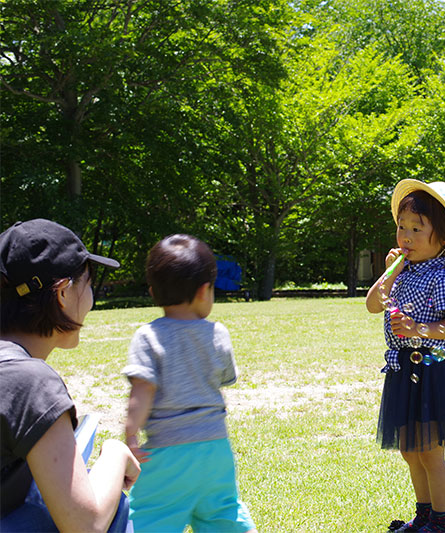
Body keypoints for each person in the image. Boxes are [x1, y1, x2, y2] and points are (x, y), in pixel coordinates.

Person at [0, 218, 140, 532]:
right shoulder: (29, 381)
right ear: (62, 293)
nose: (92, 298)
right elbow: (84, 524)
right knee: (112, 506)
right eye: (88, 284)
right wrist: (116, 454)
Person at [122, 234, 256, 533]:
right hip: (215, 450)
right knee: (222, 512)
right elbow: (227, 376)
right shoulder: (217, 333)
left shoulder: (147, 337)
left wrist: (131, 435)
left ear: (153, 291)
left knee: (152, 518)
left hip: (166, 454)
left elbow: (141, 391)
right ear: (204, 291)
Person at [366, 180, 445, 533]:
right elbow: (371, 305)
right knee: (410, 451)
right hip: (404, 369)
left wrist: (419, 330)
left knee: (430, 452)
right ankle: (425, 516)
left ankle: (443, 523)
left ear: (443, 239)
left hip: (433, 371)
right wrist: (389, 272)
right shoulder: (400, 274)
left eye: (416, 229)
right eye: (401, 227)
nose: (406, 237)